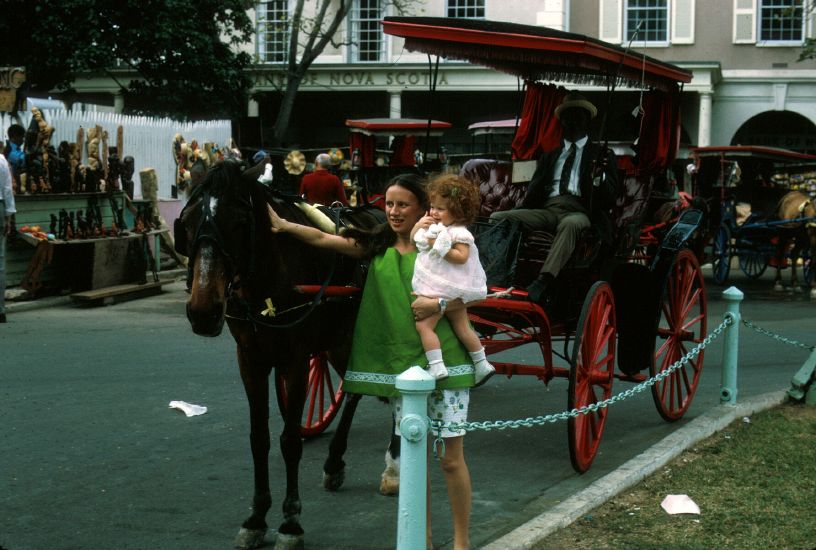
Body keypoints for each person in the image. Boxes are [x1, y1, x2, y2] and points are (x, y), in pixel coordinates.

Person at [267, 173, 473, 549]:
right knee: (414, 464)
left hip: (447, 363)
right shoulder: (376, 246)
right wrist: (284, 226)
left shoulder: (441, 244)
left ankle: (461, 543)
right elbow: (323, 238)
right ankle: (422, 540)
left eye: (403, 205)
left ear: (421, 208)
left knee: (450, 461)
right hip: (404, 372)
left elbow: (473, 292)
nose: (393, 212)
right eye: (389, 204)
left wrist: (438, 304)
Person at [490, 92, 619, 303]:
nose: (573, 122)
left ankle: (543, 281)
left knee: (570, 224)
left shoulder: (601, 155)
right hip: (548, 210)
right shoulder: (550, 155)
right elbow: (534, 191)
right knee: (498, 217)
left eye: (578, 116)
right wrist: (520, 211)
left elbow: (610, 196)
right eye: (568, 117)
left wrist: (599, 176)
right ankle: (498, 272)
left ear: (587, 120)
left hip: (581, 211)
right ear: (562, 122)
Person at [412, 173, 495, 386]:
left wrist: (441, 248)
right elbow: (416, 241)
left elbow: (461, 258)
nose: (434, 212)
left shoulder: (459, 232)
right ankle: (482, 364)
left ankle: (437, 366)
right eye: (432, 206)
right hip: (448, 285)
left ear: (458, 212)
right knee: (462, 326)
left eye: (440, 209)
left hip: (445, 285)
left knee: (424, 326)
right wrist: (423, 230)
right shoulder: (437, 228)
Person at [1, 152, 17, 323]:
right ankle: (0, 310)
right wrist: (8, 218)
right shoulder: (1, 161)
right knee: (0, 261)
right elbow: (7, 190)